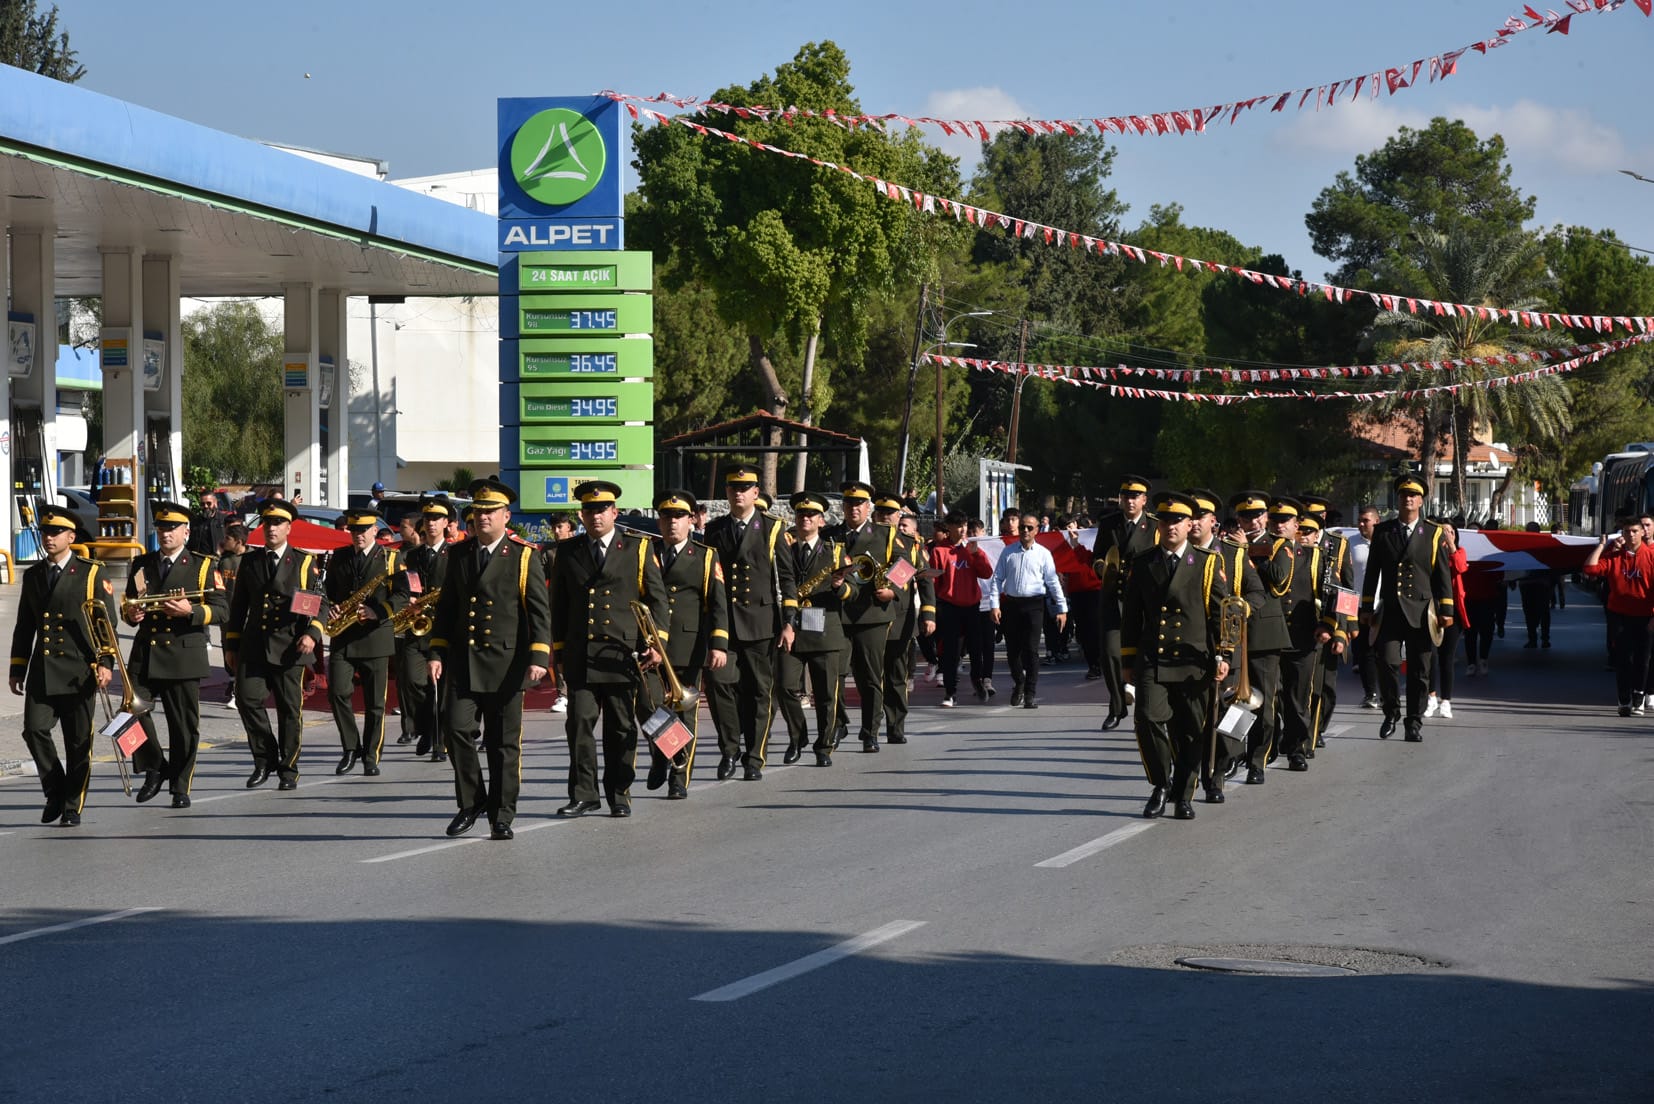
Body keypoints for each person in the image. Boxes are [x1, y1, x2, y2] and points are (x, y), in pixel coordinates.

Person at [428, 478, 551, 839]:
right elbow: (448, 608)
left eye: (490, 511)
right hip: (465, 662)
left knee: (502, 743)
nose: (482, 517)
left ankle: (501, 814)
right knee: (456, 730)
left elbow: (538, 612)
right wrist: (437, 651)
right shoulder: (460, 554)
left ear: (505, 515)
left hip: (506, 663)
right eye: (478, 512)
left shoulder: (523, 555)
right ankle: (472, 801)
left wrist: (539, 656)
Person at [548, 480, 665, 818]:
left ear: (614, 512)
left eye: (601, 510)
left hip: (620, 655)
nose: (595, 516)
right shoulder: (568, 551)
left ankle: (619, 793)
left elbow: (656, 600)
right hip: (581, 656)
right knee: (580, 724)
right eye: (588, 510)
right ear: (581, 515)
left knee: (620, 727)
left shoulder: (637, 549)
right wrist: (559, 651)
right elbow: (561, 606)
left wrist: (657, 646)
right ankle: (584, 794)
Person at [1120, 492, 1232, 821]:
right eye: (1165, 520)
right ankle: (1160, 784)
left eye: (1178, 521)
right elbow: (1131, 617)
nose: (1171, 527)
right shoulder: (1143, 562)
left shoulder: (1208, 563)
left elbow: (1220, 615)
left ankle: (1184, 795)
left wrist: (1224, 654)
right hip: (1154, 659)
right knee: (1147, 720)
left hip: (1193, 660)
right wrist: (1127, 660)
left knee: (1190, 732)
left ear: (1189, 525)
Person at [10, 504, 118, 826]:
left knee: (78, 743)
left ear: (71, 536)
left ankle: (73, 805)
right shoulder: (34, 575)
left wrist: (106, 662)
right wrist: (17, 668)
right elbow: (24, 625)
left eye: (56, 532)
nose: (49, 538)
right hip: (43, 672)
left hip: (78, 671)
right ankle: (56, 788)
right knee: (34, 730)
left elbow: (105, 623)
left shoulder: (91, 572)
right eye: (45, 532)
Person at [121, 501, 230, 808]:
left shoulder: (203, 565)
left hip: (183, 654)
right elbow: (131, 606)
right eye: (161, 528)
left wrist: (191, 611)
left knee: (183, 727)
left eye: (172, 529)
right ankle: (155, 766)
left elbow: (222, 610)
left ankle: (180, 785)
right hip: (147, 652)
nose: (165, 534)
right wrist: (131, 615)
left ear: (186, 531)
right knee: (128, 713)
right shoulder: (142, 564)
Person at [703, 466, 797, 778]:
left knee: (759, 691)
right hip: (724, 623)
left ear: (756, 493)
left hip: (761, 621)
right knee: (719, 687)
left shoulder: (771, 527)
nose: (738, 493)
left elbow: (786, 578)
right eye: (733, 488)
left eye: (745, 488)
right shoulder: (715, 530)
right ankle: (730, 750)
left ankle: (755, 757)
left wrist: (789, 622)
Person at [226, 498, 324, 790]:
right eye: (267, 523)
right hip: (254, 645)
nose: (271, 528)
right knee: (246, 699)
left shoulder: (304, 562)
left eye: (278, 523)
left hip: (290, 647)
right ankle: (264, 758)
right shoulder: (251, 561)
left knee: (289, 711)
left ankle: (288, 769)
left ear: (289, 528)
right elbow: (239, 606)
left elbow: (318, 605)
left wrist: (312, 634)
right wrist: (231, 645)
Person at [642, 491, 727, 795]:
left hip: (687, 645)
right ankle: (661, 755)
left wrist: (719, 643)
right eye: (666, 517)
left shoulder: (705, 555)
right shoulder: (645, 551)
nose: (672, 523)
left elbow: (718, 603)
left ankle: (679, 778)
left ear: (691, 520)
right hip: (650, 645)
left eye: (679, 517)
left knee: (683, 711)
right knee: (651, 707)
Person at [1360, 474, 1454, 743]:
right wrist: (1366, 607)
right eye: (1403, 495)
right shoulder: (1383, 531)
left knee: (1419, 671)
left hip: (1423, 612)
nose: (1408, 499)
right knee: (1387, 663)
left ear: (1421, 500)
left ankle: (1414, 721)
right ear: (1398, 499)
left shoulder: (1433, 533)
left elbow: (1442, 575)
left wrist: (1447, 609)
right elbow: (1372, 574)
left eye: (1413, 495)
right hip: (1390, 611)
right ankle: (1391, 712)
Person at [323, 509, 410, 777]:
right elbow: (325, 593)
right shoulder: (339, 557)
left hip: (375, 638)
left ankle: (371, 755)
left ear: (375, 530)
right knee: (337, 693)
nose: (358, 535)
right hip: (344, 637)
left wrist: (378, 611)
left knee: (374, 703)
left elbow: (404, 595)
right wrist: (330, 608)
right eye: (354, 530)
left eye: (364, 530)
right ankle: (351, 748)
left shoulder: (391, 558)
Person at [777, 492, 853, 767]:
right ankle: (798, 737)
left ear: (821, 521)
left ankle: (824, 744)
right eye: (800, 515)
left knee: (825, 694)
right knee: (784, 687)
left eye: (811, 515)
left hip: (824, 628)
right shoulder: (785, 549)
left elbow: (851, 592)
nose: (805, 518)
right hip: (792, 627)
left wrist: (838, 586)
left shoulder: (835, 551)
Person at [829, 481, 901, 750]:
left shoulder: (884, 534)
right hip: (838, 614)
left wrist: (892, 590)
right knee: (833, 674)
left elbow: (904, 564)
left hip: (871, 613)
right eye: (849, 504)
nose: (853, 508)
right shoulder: (831, 534)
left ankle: (870, 730)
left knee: (869, 676)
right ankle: (838, 724)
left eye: (859, 504)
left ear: (868, 507)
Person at [1230, 490, 1295, 784]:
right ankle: (1229, 755)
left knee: (1263, 701)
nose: (1251, 521)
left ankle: (1258, 760)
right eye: (1245, 516)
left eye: (1257, 515)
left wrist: (1247, 551)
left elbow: (1279, 578)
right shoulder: (1226, 546)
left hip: (1265, 632)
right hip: (1232, 629)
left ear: (1265, 517)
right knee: (1232, 700)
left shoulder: (1279, 544)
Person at [871, 492, 935, 744]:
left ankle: (895, 725)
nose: (885, 517)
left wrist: (928, 613)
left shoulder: (910, 544)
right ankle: (871, 730)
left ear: (899, 516)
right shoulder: (864, 540)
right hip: (869, 617)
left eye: (890, 513)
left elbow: (925, 579)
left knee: (896, 675)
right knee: (871, 676)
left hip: (899, 617)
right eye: (881, 513)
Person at [990, 512, 1068, 709]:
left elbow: (1052, 582)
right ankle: (1019, 683)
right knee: (1013, 652)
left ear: (1037, 530)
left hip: (1034, 605)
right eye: (1023, 527)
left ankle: (1030, 692)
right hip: (1012, 605)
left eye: (1029, 527)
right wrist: (994, 605)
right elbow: (997, 579)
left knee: (1031, 651)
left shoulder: (1043, 554)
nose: (1025, 530)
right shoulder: (1008, 552)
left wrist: (1062, 608)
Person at [1099, 476, 1158, 729]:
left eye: (1135, 497)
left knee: (1144, 656)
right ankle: (1117, 706)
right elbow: (1097, 557)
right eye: (1126, 496)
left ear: (1144, 500)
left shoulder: (1155, 525)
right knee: (1111, 654)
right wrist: (1103, 569)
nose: (1130, 501)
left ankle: (1146, 708)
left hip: (1143, 600)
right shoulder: (1109, 523)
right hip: (1115, 597)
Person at [1581, 516, 1654, 715]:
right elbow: (1590, 568)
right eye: (1626, 531)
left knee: (1642, 658)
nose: (1631, 535)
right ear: (1621, 534)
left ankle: (1639, 695)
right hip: (1619, 615)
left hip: (1645, 616)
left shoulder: (1651, 557)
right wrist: (1602, 546)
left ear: (1642, 533)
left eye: (1634, 531)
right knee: (1623, 658)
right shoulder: (1615, 557)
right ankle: (1624, 698)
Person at [406, 496, 458, 760]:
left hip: (444, 628)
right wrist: (410, 600)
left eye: (437, 519)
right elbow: (408, 585)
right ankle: (425, 726)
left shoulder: (454, 554)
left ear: (446, 523)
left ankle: (440, 742)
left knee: (441, 687)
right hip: (417, 627)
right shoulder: (412, 555)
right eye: (427, 519)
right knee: (415, 682)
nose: (432, 523)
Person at [928, 509, 994, 708]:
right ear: (948, 528)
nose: (962, 529)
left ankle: (978, 680)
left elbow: (986, 573)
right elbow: (934, 581)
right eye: (958, 525)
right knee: (950, 652)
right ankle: (950, 692)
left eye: (964, 525)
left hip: (973, 606)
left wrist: (977, 555)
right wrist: (935, 607)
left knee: (976, 648)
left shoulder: (971, 549)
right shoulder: (939, 551)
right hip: (949, 608)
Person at [1423, 519, 1468, 721]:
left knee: (1446, 658)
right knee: (1430, 656)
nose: (1447, 534)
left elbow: (1460, 567)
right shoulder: (1428, 552)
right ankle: (1431, 697)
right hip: (1431, 610)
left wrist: (1450, 545)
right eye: (1443, 532)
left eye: (1451, 532)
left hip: (1452, 612)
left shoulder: (1459, 551)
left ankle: (1446, 701)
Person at [392, 517, 426, 746]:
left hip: (427, 619)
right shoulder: (400, 554)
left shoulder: (427, 554)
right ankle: (409, 727)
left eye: (403, 526)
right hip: (404, 619)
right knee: (405, 678)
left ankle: (431, 724)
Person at [1349, 505, 1382, 708]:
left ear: (1376, 522)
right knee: (1364, 651)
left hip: (1384, 604)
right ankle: (1370, 693)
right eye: (1359, 521)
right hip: (1359, 605)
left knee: (1385, 652)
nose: (1361, 524)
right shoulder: (1351, 543)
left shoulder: (1387, 542)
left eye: (1365, 521)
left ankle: (1388, 692)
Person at [188, 489, 227, 560]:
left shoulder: (224, 520)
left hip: (219, 560)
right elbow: (191, 544)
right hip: (200, 560)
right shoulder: (195, 521)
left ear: (215, 503)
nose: (205, 506)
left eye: (209, 503)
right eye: (202, 504)